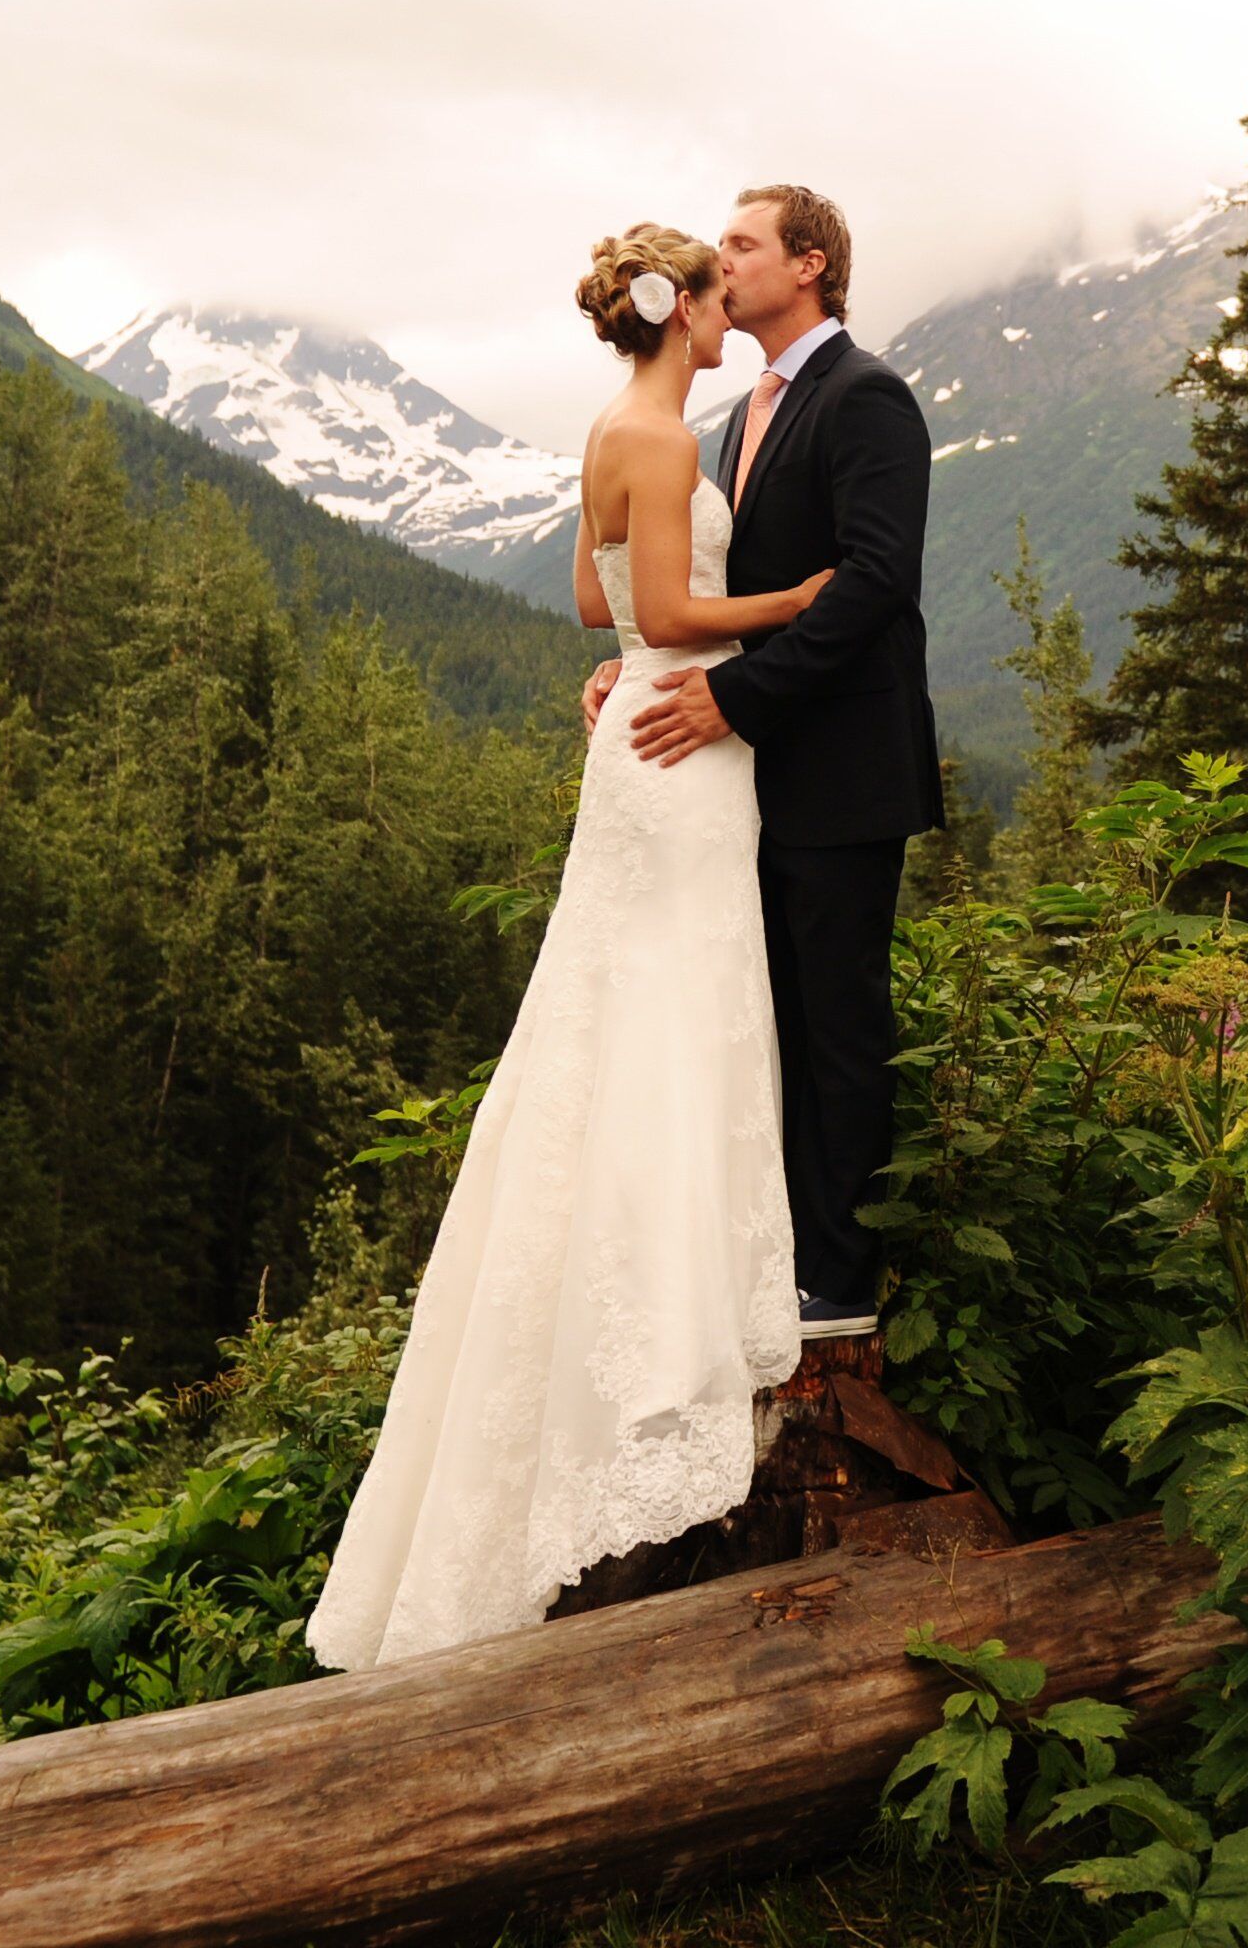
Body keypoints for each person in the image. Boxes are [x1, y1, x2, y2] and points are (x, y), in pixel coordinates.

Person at [305, 225, 836, 1669]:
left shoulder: (616, 430)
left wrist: (650, 653)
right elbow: (657, 612)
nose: (734, 310)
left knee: (625, 1022)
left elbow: (594, 605)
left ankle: (636, 1308)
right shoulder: (666, 442)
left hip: (641, 751)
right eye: (720, 294)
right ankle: (661, 1328)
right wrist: (792, 605)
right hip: (684, 754)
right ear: (686, 313)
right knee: (675, 1018)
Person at [618, 184, 943, 1338]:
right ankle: (790, 1256)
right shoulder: (736, 417)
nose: (722, 258)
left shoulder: (868, 398)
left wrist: (732, 699)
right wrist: (645, 665)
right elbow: (715, 595)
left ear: (807, 265)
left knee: (841, 1025)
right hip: (762, 771)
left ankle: (844, 1284)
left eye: (742, 244)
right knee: (783, 1022)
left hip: (844, 768)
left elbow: (871, 584)